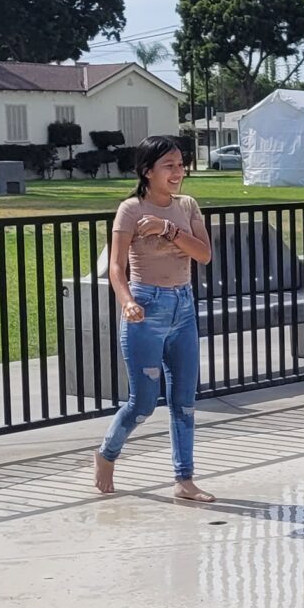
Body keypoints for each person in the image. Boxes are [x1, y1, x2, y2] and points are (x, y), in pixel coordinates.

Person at [93, 138, 214, 502]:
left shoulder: (187, 206)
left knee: (184, 401)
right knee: (143, 403)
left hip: (184, 307)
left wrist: (167, 229)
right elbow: (116, 267)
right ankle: (106, 454)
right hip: (147, 308)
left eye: (180, 165)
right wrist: (127, 302)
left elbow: (204, 255)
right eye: (170, 166)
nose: (178, 173)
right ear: (148, 171)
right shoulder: (130, 209)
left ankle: (184, 479)